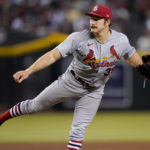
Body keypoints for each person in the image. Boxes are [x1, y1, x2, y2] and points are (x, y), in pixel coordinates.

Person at [0, 4, 150, 150]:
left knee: (78, 130)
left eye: (97, 19)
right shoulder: (78, 38)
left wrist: (140, 66)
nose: (93, 22)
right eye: (92, 18)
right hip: (70, 82)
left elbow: (131, 55)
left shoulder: (120, 40)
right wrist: (28, 71)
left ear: (107, 22)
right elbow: (52, 55)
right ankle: (2, 119)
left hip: (94, 90)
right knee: (33, 107)